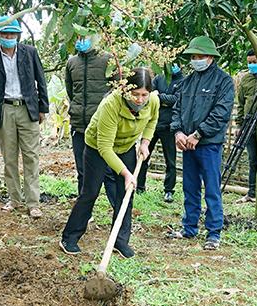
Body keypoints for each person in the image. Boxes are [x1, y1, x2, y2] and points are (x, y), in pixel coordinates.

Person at [59, 68, 160, 258]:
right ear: (125, 90)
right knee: (90, 192)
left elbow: (153, 120)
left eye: (144, 95)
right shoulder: (111, 104)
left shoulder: (153, 100)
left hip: (126, 147)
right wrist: (126, 173)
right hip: (97, 148)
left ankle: (119, 241)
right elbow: (105, 148)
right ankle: (69, 237)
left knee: (125, 195)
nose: (140, 99)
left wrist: (145, 142)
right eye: (135, 94)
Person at [168, 36, 235, 250]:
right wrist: (178, 131)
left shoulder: (223, 81)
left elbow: (221, 113)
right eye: (193, 56)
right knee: (190, 187)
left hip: (209, 144)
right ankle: (189, 227)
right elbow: (177, 108)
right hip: (187, 144)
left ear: (210, 57)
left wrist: (198, 134)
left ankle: (214, 233)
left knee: (212, 189)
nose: (196, 60)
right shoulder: (187, 82)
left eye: (200, 56)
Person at [0, 16, 49, 218]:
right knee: (9, 158)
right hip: (4, 109)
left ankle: (33, 203)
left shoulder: (30, 53)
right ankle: (14, 199)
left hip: (27, 109)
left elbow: (40, 80)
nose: (8, 36)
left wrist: (42, 108)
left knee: (31, 157)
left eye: (11, 33)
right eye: (4, 33)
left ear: (18, 35)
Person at [65, 36, 116, 207]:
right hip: (79, 125)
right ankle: (84, 212)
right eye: (77, 37)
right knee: (82, 172)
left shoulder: (108, 60)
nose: (80, 40)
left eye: (84, 37)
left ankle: (119, 213)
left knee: (109, 171)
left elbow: (116, 91)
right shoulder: (72, 63)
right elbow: (71, 91)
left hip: (103, 126)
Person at [136, 63, 183, 202]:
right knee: (143, 156)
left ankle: (169, 190)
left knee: (170, 161)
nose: (172, 66)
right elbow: (149, 95)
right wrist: (164, 99)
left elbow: (176, 100)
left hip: (169, 126)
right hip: (152, 124)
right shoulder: (159, 78)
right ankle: (139, 186)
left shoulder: (183, 81)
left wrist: (159, 97)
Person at [234, 50, 257, 204]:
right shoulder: (245, 80)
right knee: (253, 159)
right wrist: (239, 124)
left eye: (254, 62)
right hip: (248, 123)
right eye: (249, 62)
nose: (252, 65)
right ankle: (251, 192)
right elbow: (241, 104)